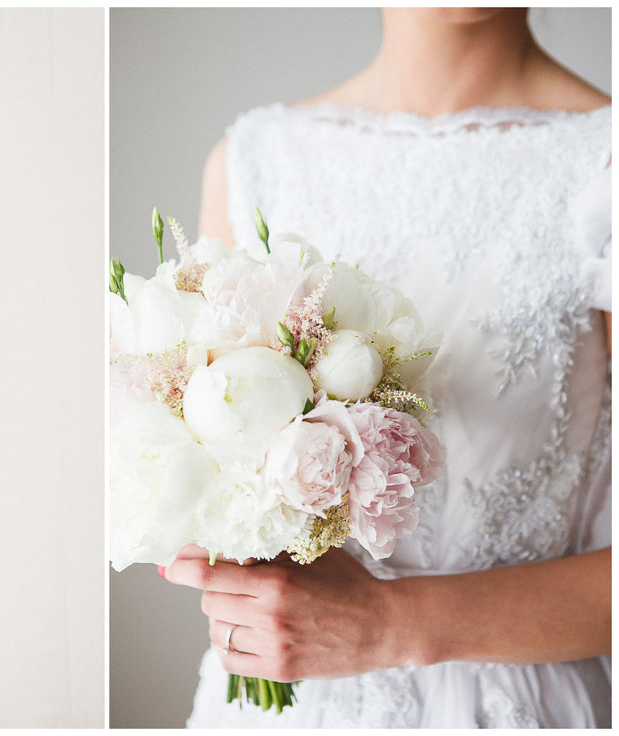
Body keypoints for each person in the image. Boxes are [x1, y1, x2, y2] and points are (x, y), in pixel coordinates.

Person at [163, 8, 611, 728]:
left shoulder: (604, 162)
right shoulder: (256, 161)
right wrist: (197, 522)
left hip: (506, 705)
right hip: (282, 703)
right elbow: (206, 448)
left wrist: (388, 623)